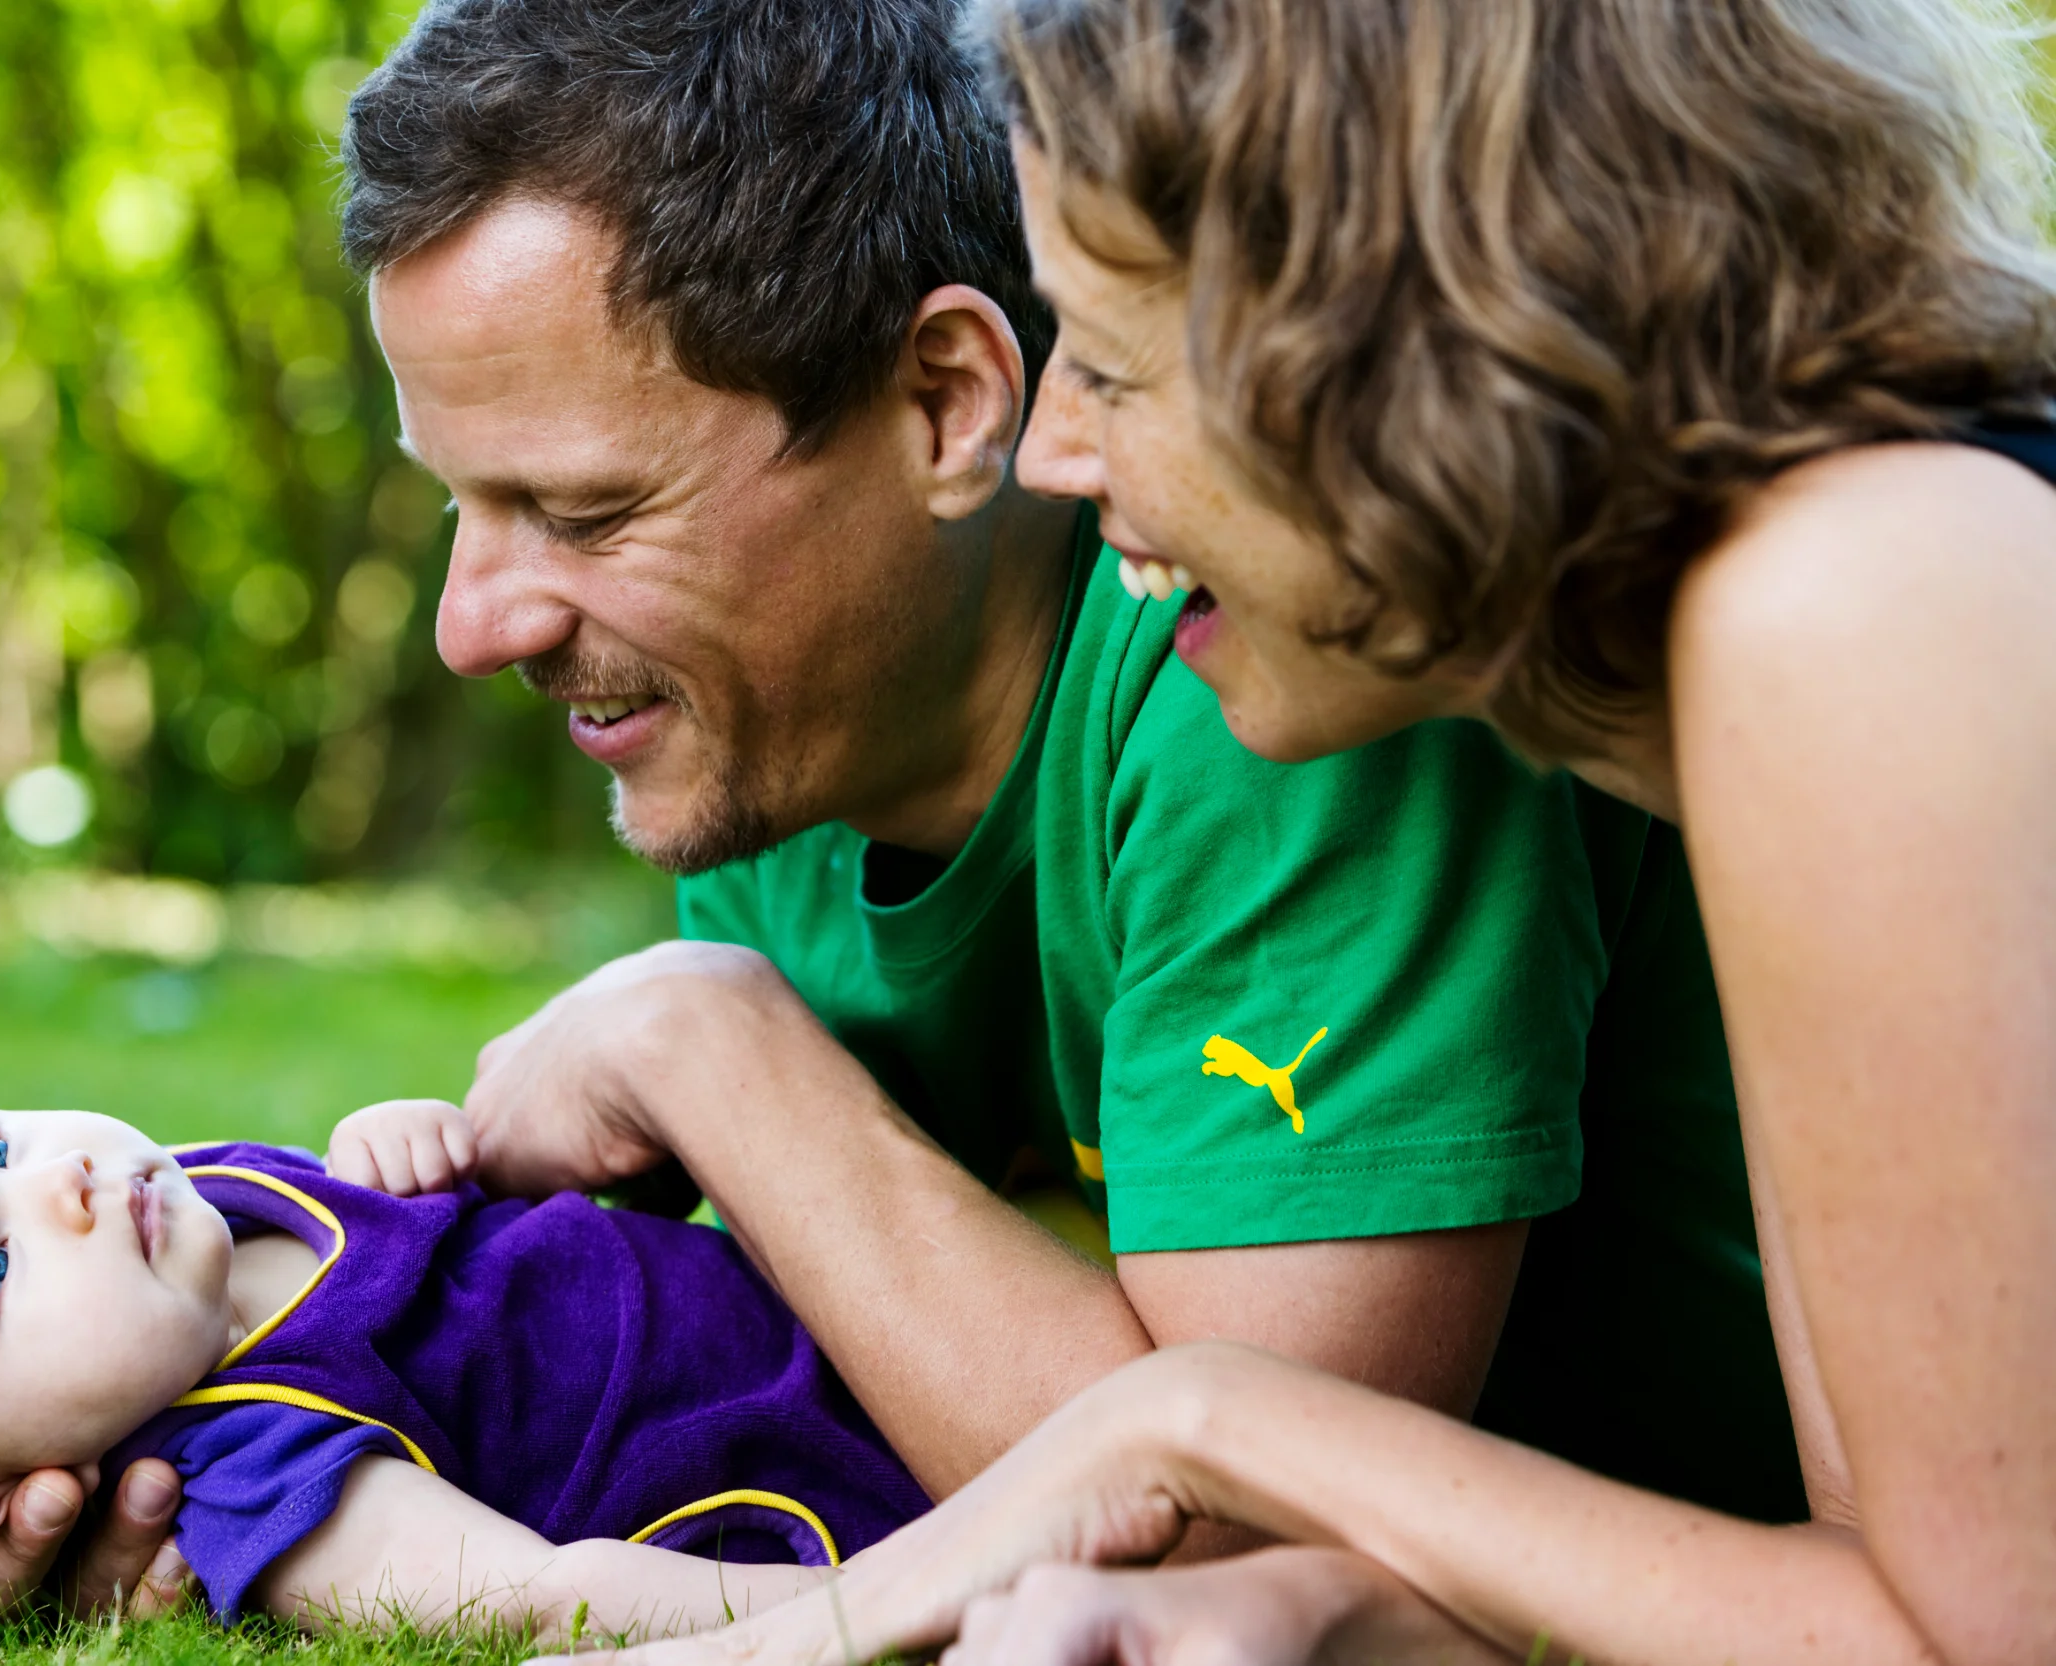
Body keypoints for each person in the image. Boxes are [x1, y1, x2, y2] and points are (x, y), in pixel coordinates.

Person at [0, 0, 1795, 1622]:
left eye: (586, 511)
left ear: (945, 403)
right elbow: (824, 1367)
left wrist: (709, 1046)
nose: (469, 622)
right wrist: (198, 1394)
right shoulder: (784, 731)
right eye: (461, 499)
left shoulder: (1273, 661)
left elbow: (1220, 1541)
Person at [571, 0, 2056, 1662]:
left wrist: (1208, 1422)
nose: (1050, 452)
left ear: (1415, 345)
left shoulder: (1864, 599)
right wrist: (1349, 1604)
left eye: (1116, 366)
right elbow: (1883, 1587)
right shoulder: (1826, 604)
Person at [0, 1083, 924, 1632]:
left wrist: (405, 1134)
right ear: (0, 1487)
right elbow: (539, 1593)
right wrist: (911, 1587)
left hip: (846, 1297)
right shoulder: (257, 1466)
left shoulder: (208, 1198)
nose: (61, 1178)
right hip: (842, 1478)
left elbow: (447, 1244)